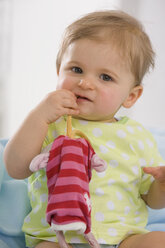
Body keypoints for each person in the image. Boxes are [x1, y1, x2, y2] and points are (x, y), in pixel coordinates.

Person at [4, 10, 165, 248]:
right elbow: (15, 168)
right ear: (59, 71)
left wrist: (161, 186)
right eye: (76, 70)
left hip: (124, 238)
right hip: (57, 237)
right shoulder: (50, 124)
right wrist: (38, 116)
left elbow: (149, 198)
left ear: (131, 96)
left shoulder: (137, 137)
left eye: (105, 77)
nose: (85, 83)